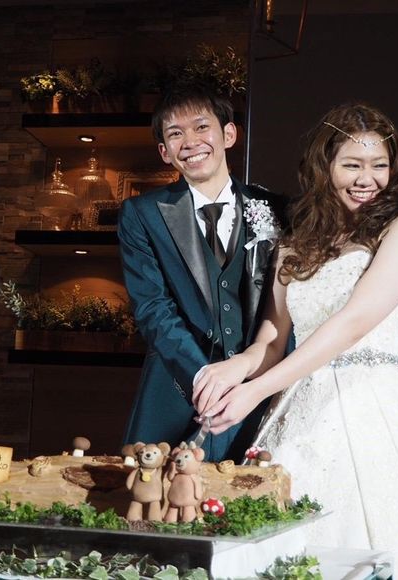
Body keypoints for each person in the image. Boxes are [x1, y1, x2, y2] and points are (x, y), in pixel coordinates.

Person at [192, 103, 398, 579]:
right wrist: (235, 370)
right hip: (300, 407)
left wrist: (256, 390)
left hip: (378, 410)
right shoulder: (294, 245)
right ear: (325, 166)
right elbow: (271, 339)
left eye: (379, 165)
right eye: (352, 165)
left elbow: (353, 322)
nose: (367, 179)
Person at [117, 83, 287, 463]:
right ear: (165, 151)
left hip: (257, 395)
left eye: (201, 127)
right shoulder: (141, 214)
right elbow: (152, 308)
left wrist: (245, 376)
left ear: (229, 134)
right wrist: (201, 377)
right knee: (155, 494)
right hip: (175, 395)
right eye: (175, 134)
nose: (190, 142)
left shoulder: (278, 209)